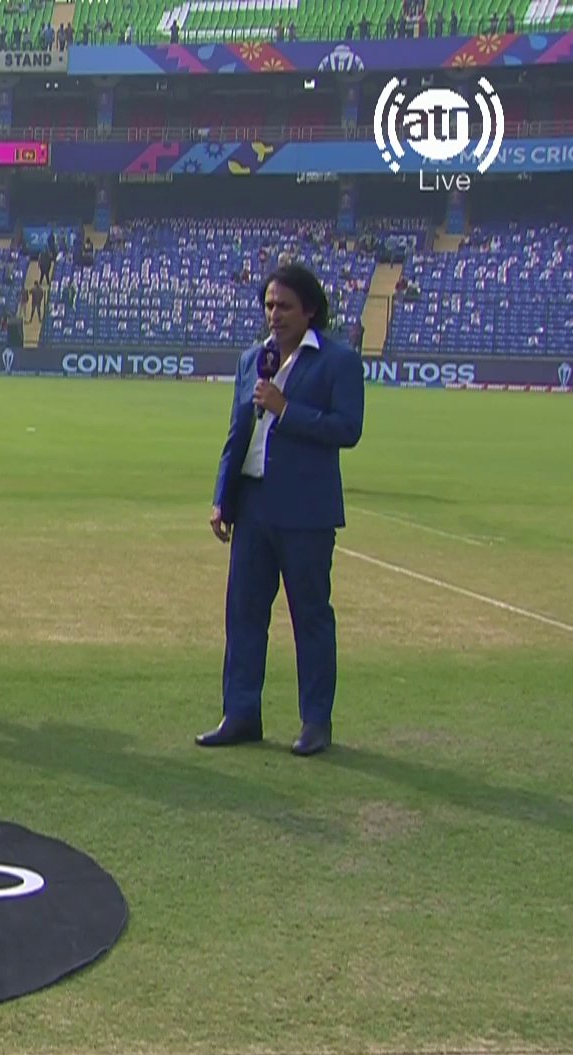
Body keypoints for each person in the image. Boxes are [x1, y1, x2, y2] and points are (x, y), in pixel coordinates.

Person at [201, 263, 365, 757]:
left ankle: (315, 721)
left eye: (285, 306)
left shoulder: (338, 361)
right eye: (269, 305)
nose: (274, 314)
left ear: (309, 310)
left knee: (309, 618)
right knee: (243, 615)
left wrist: (286, 409)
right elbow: (238, 432)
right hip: (253, 505)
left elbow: (347, 429)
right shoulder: (252, 359)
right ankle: (240, 714)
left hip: (306, 511)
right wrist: (222, 497)